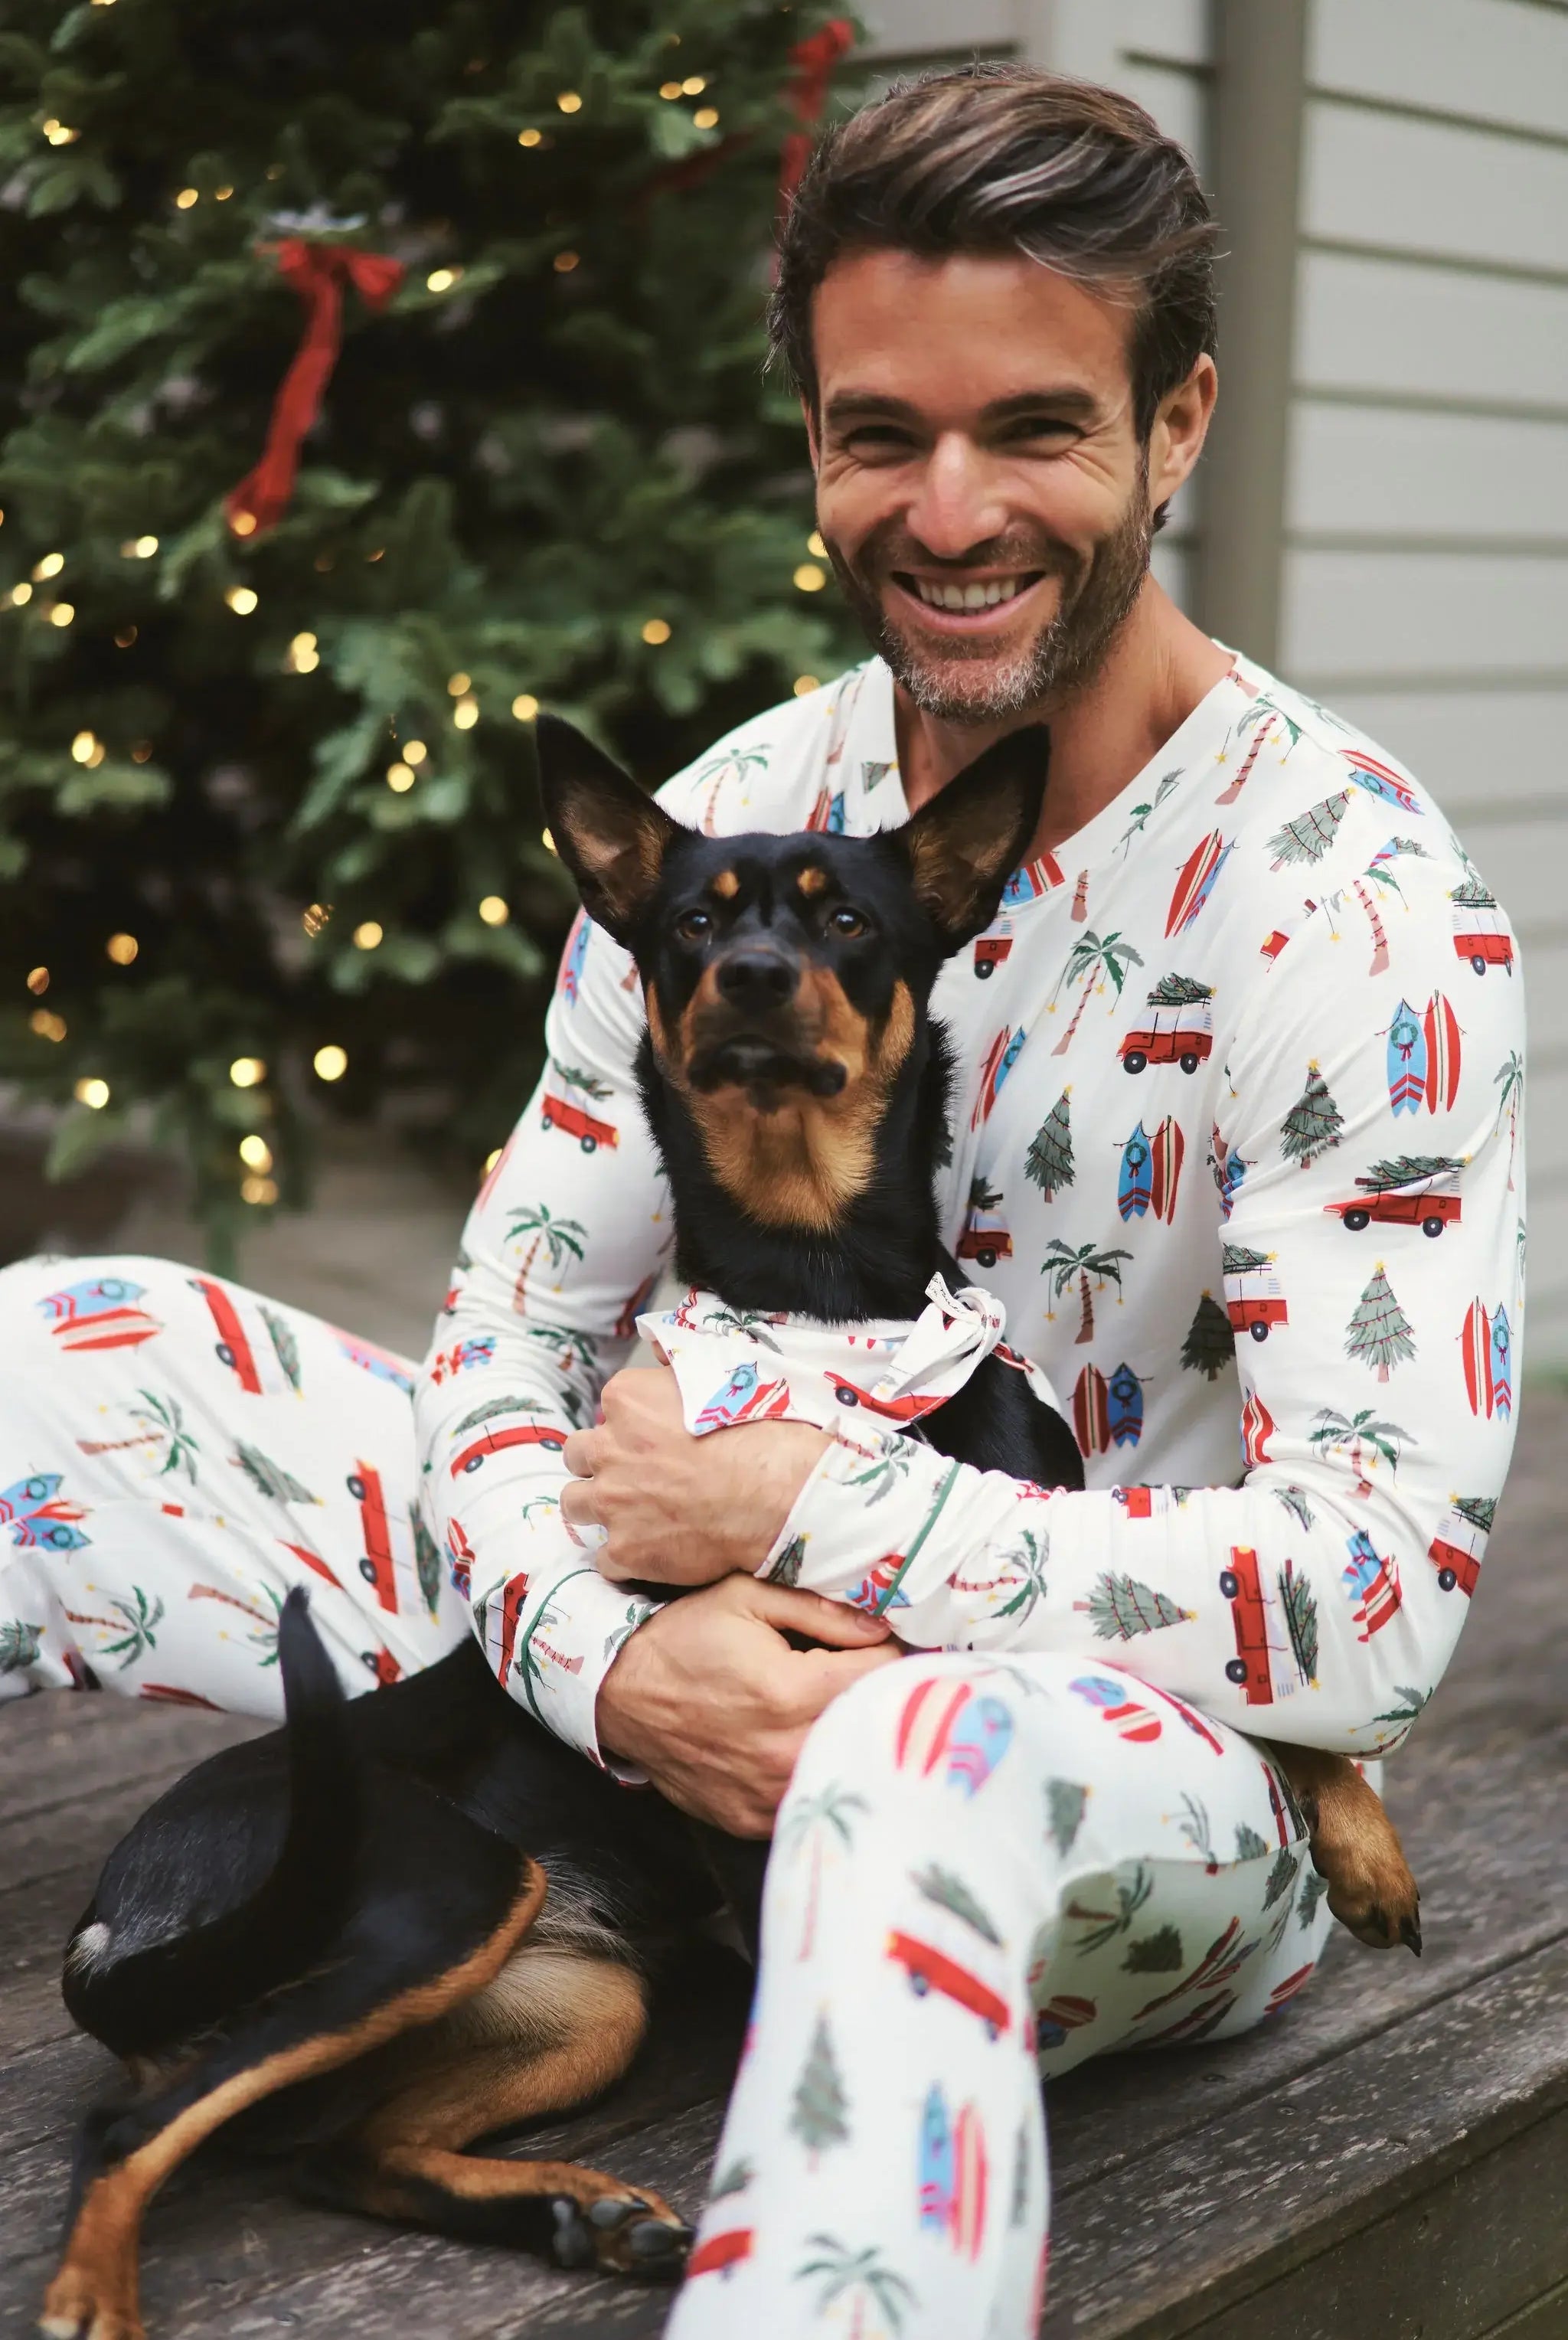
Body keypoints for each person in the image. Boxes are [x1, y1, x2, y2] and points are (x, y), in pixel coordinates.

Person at [0, 66, 1523, 2337]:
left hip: (1117, 1761)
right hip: (648, 1666)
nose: (950, 509)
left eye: (1036, 426)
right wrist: (621, 1671)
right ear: (812, 440)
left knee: (909, 1764)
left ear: (1177, 424)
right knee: (55, 1350)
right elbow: (511, 1353)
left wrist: (808, 1515)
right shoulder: (737, 815)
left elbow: (1372, 1604)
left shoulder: (1359, 906)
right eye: (879, 433)